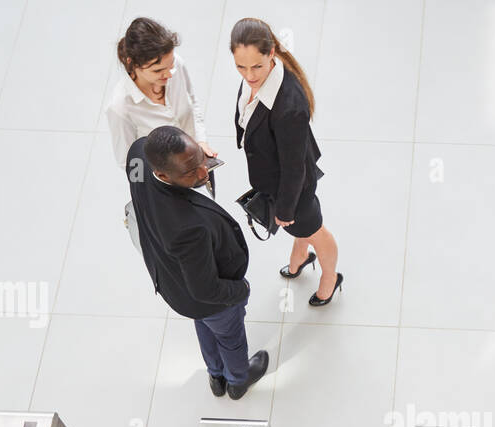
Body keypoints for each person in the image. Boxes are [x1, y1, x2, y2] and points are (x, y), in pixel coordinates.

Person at [127, 125, 268, 399]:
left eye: (200, 161)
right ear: (162, 174)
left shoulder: (137, 155)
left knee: (204, 325)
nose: (204, 172)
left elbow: (139, 179)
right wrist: (242, 290)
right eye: (191, 172)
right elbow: (206, 291)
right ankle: (238, 380)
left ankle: (216, 375)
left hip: (175, 284)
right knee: (229, 336)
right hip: (208, 297)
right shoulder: (187, 228)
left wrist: (193, 160)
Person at [230, 17, 343, 306]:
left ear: (271, 54)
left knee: (314, 229)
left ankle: (330, 276)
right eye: (241, 66)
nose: (249, 75)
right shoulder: (260, 79)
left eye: (256, 66)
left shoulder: (289, 107)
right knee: (302, 229)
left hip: (292, 188)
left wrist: (285, 208)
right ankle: (300, 255)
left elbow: (295, 169)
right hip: (278, 178)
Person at [107, 18, 216, 176]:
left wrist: (201, 141)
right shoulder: (121, 107)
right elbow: (130, 163)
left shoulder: (177, 65)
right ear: (133, 64)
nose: (168, 74)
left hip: (199, 164)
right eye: (158, 71)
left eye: (170, 66)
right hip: (165, 185)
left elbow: (192, 103)